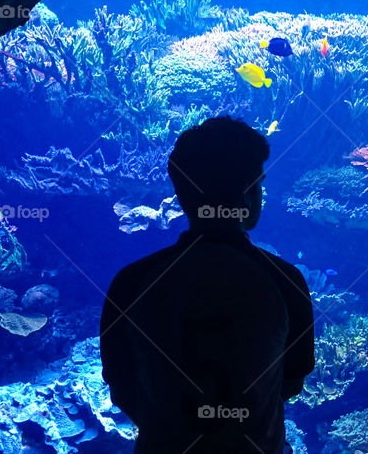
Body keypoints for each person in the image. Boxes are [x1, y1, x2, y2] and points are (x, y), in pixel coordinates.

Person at [100, 116, 314, 453]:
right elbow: (291, 383)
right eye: (259, 183)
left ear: (180, 193)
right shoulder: (285, 280)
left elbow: (123, 391)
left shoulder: (130, 283)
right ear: (248, 195)